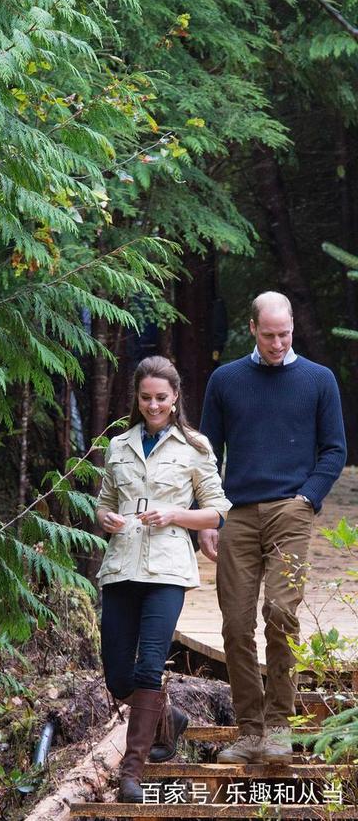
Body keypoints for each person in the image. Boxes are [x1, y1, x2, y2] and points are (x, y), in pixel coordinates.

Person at [200, 291, 347, 765]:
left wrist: (308, 498)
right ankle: (249, 730)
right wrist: (208, 516)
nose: (278, 342)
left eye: (285, 334)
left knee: (281, 613)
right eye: (269, 335)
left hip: (291, 509)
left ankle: (280, 723)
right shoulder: (225, 380)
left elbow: (334, 449)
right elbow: (206, 454)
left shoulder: (319, 380)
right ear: (252, 329)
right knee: (236, 624)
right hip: (237, 512)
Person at [96, 355, 231, 803]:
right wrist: (108, 519)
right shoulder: (119, 445)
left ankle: (130, 774)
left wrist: (175, 514)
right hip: (121, 566)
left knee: (148, 665)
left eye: (162, 398)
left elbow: (217, 510)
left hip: (169, 568)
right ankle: (166, 717)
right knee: (118, 676)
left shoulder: (195, 446)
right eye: (146, 398)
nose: (154, 405)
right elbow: (103, 503)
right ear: (136, 398)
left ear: (175, 399)